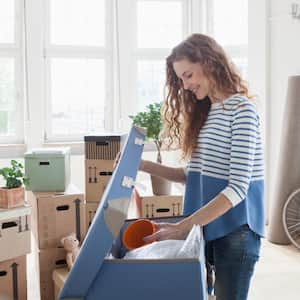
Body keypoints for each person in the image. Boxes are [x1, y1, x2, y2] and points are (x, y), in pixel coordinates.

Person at [139, 34, 264, 300]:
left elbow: (238, 188)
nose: (185, 85)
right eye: (180, 79)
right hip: (209, 225)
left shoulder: (242, 110)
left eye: (188, 75)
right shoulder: (208, 112)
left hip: (237, 230)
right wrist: (143, 165)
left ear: (208, 62)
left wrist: (184, 226)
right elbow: (192, 176)